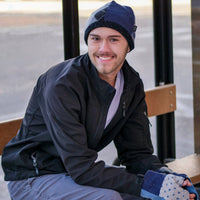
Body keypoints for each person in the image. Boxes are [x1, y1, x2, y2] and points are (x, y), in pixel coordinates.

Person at [1, 1, 198, 200]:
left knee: (150, 196)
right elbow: (82, 169)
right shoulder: (63, 85)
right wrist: (151, 185)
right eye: (95, 39)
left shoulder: (130, 83)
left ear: (128, 44)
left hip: (75, 172)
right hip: (33, 178)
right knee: (110, 198)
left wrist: (166, 177)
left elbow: (137, 154)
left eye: (114, 39)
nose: (103, 48)